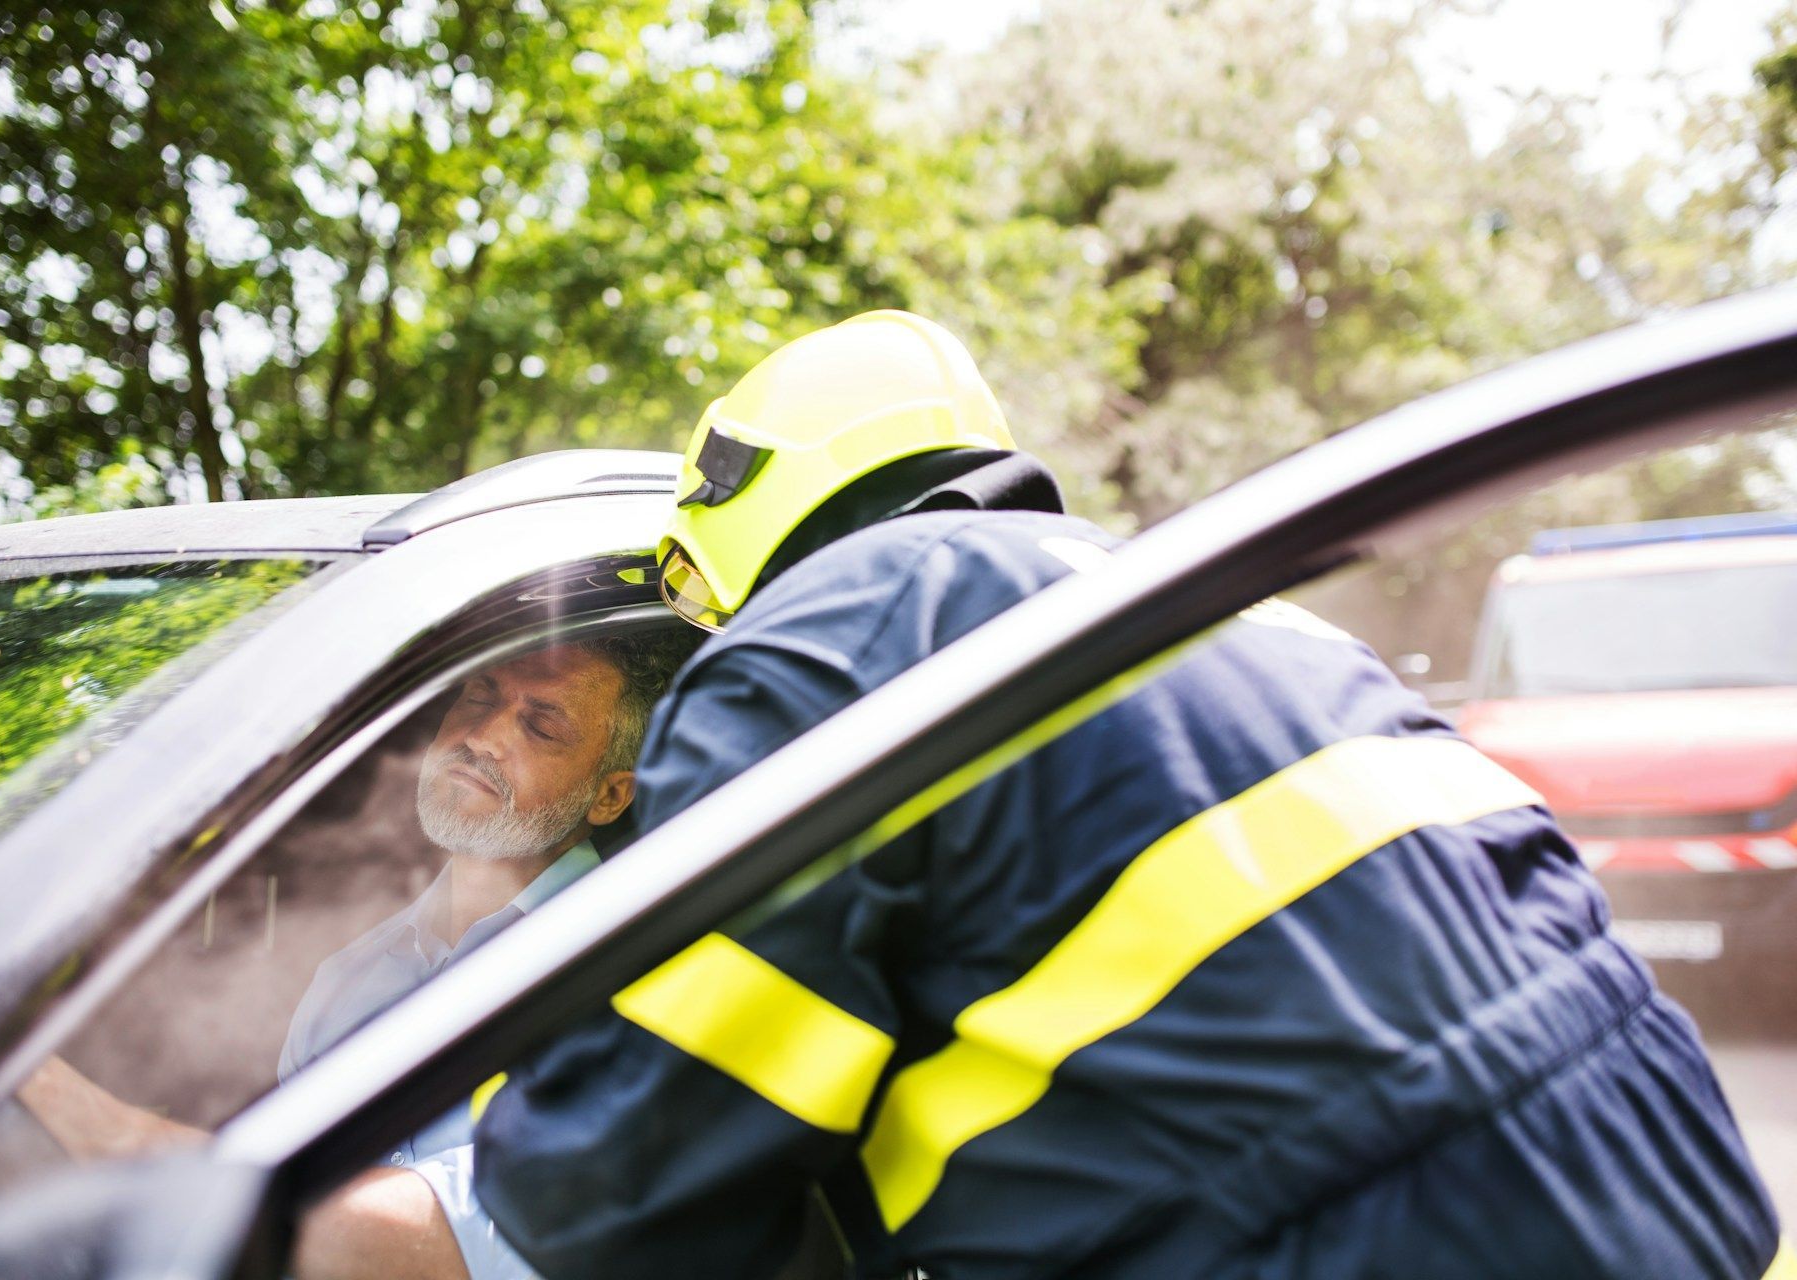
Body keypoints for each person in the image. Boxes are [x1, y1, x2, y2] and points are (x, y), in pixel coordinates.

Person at [474, 311, 1785, 1279]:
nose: (708, 637)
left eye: (694, 598)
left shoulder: (826, 641)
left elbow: (621, 1188)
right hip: (1680, 1192)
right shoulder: (1220, 607)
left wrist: (497, 1082)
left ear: (734, 505)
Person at [19, 633, 693, 1280]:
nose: (482, 737)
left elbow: (450, 1254)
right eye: (478, 697)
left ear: (609, 795)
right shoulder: (349, 976)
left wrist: (62, 1100)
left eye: (541, 726)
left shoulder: (637, 978)